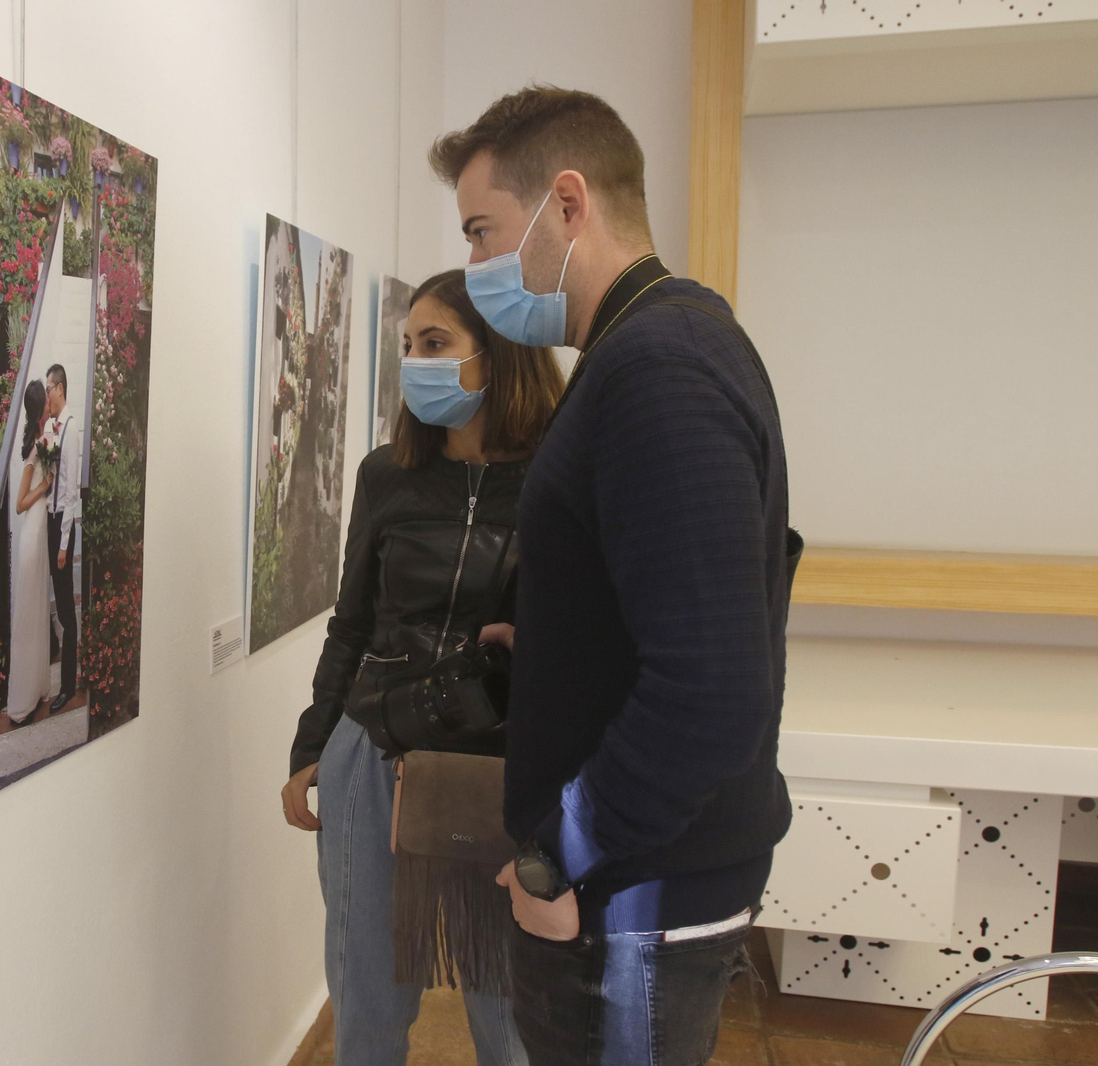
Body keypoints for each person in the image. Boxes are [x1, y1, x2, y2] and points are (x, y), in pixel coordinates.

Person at [429, 86, 801, 1066]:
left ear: (564, 204)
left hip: (630, 897)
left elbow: (711, 689)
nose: (473, 270)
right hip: (640, 884)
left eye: (481, 233)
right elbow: (665, 600)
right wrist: (553, 643)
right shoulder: (652, 348)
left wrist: (556, 855)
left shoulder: (657, 369)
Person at [281, 270, 565, 1066]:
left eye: (435, 343)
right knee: (366, 1001)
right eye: (408, 346)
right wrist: (311, 747)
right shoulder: (387, 475)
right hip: (371, 752)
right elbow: (352, 622)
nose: (417, 362)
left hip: (499, 770)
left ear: (499, 353)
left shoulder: (558, 481)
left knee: (507, 1012)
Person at [7, 381, 55, 725]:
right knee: (28, 612)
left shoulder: (43, 442)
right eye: (47, 403)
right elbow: (20, 503)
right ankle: (21, 700)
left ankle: (37, 688)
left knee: (39, 607)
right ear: (40, 413)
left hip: (41, 535)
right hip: (32, 533)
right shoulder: (33, 452)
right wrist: (43, 486)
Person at [42, 364, 83, 713]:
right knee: (61, 605)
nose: (47, 397)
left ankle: (68, 685)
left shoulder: (71, 429)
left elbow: (71, 493)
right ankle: (67, 676)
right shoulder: (55, 429)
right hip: (53, 522)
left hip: (62, 527)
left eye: (49, 389)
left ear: (60, 389)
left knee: (67, 612)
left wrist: (64, 545)